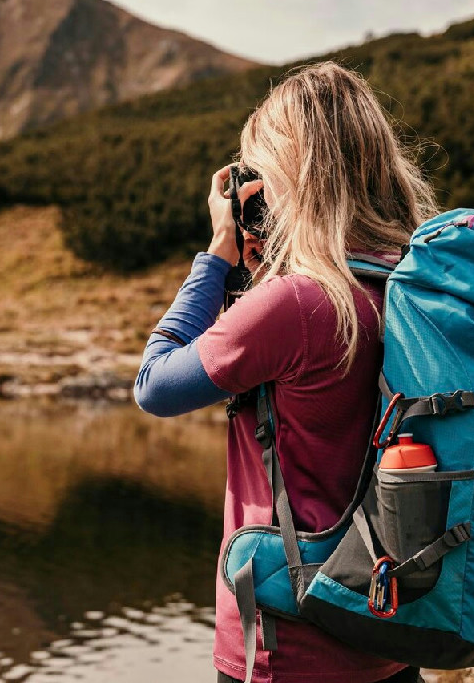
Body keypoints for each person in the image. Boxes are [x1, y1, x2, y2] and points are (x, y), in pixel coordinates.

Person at [134, 61, 437, 683]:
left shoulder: (300, 304)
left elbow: (155, 386)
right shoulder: (415, 282)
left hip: (289, 646)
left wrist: (219, 252)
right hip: (390, 632)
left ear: (291, 174)